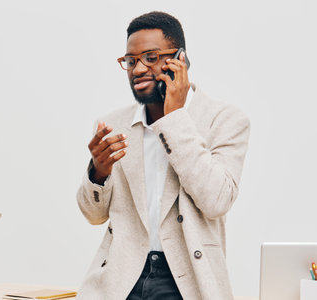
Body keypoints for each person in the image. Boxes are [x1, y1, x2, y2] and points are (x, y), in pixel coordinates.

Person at [76, 11, 250, 300]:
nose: (138, 69)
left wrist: (175, 117)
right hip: (121, 278)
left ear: (179, 59)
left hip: (187, 281)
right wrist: (99, 172)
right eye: (130, 61)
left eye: (151, 57)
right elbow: (93, 216)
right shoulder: (113, 125)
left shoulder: (225, 120)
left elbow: (217, 201)